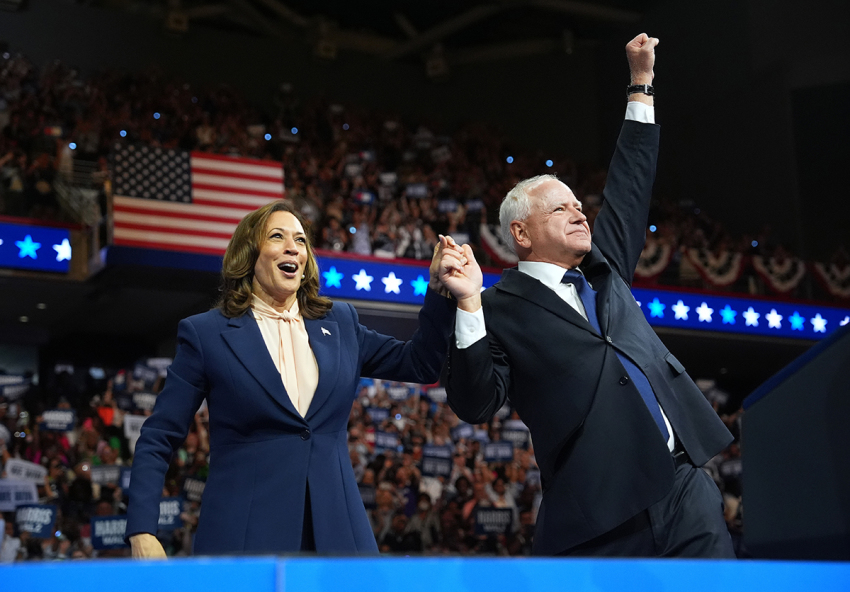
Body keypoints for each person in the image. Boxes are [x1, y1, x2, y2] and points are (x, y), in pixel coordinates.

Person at [439, 34, 735, 557]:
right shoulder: (498, 307)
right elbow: (475, 401)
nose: (579, 213)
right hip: (599, 511)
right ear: (521, 234)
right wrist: (467, 304)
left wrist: (639, 86)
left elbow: (629, 185)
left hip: (686, 487)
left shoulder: (604, 269)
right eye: (560, 209)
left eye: (579, 205)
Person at [126, 200, 476, 557]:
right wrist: (142, 530)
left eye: (301, 240)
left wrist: (439, 292)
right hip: (245, 534)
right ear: (249, 254)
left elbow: (420, 364)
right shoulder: (206, 334)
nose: (293, 246)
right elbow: (159, 436)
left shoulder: (340, 323)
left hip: (338, 533)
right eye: (277, 236)